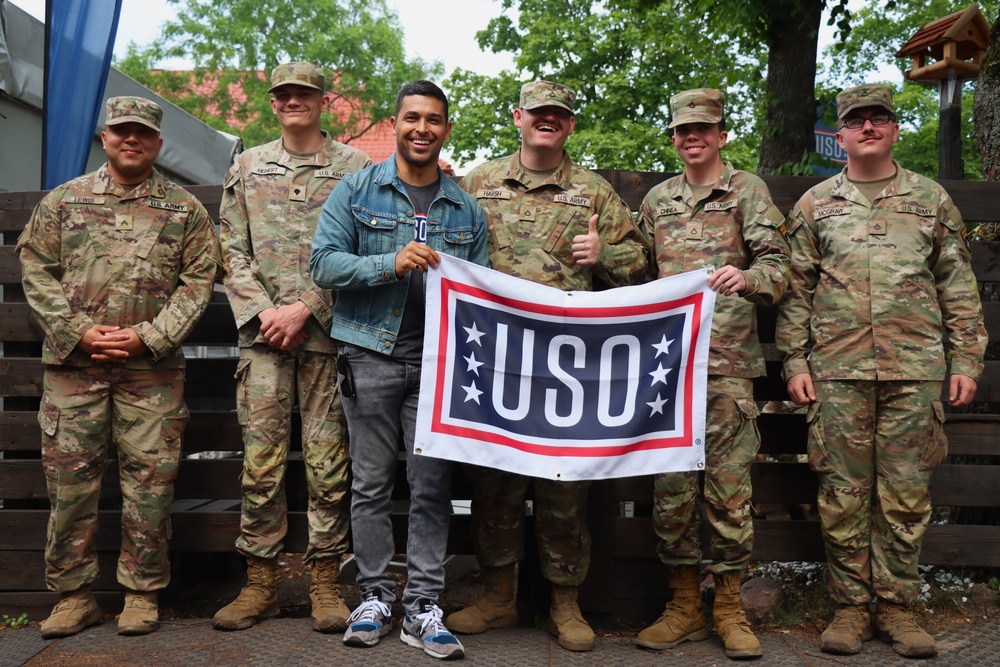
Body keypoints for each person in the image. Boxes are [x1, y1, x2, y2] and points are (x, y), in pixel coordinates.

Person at [775, 84, 987, 659]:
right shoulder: (816, 204)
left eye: (879, 119)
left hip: (915, 369)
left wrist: (966, 359)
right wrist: (794, 359)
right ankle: (848, 609)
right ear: (839, 134)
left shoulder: (931, 200)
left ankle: (896, 607)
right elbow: (796, 292)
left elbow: (958, 287)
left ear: (894, 129)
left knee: (906, 493)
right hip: (836, 370)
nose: (868, 127)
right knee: (842, 494)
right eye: (856, 120)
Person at [445, 80, 650, 653]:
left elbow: (640, 264)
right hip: (496, 358)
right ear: (517, 117)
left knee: (565, 485)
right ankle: (498, 596)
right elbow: (441, 239)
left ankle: (565, 601)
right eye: (538, 113)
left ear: (570, 125)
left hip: (568, 365)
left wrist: (604, 256)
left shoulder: (594, 193)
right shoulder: (478, 183)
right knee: (493, 482)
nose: (547, 121)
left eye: (558, 114)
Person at [17, 97, 221, 638]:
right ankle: (74, 595)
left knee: (151, 485)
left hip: (150, 375)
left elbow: (198, 282)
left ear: (157, 143)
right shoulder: (64, 202)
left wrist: (148, 337)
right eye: (121, 132)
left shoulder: (184, 211)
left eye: (143, 134)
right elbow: (35, 269)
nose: (131, 140)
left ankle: (141, 594)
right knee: (70, 485)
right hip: (73, 371)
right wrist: (77, 331)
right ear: (104, 138)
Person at [310, 79, 488, 660]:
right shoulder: (356, 189)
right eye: (412, 118)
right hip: (368, 353)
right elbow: (323, 264)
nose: (422, 129)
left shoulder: (465, 207)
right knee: (370, 483)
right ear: (398, 122)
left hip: (438, 363)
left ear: (446, 130)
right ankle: (375, 597)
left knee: (433, 486)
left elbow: (482, 293)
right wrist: (389, 262)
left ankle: (424, 607)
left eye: (434, 120)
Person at [212, 62, 371, 633]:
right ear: (273, 101)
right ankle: (259, 583)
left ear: (322, 100)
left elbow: (365, 245)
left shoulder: (356, 168)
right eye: (284, 94)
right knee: (260, 464)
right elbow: (230, 248)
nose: (293, 101)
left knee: (330, 464)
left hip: (329, 338)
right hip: (264, 343)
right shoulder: (248, 166)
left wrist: (307, 306)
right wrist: (264, 313)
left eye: (304, 93)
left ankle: (326, 583)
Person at [633, 88, 789, 660]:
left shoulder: (748, 192)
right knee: (672, 493)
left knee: (728, 494)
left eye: (703, 128)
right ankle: (683, 607)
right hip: (666, 372)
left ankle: (728, 607)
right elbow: (635, 278)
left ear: (722, 134)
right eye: (681, 130)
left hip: (727, 369)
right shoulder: (656, 202)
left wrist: (746, 279)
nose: (691, 137)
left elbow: (780, 269)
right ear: (674, 138)